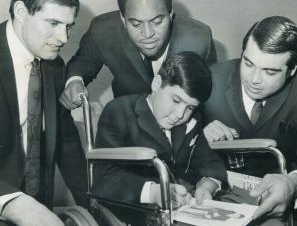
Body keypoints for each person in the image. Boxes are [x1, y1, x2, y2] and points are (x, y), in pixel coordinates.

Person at [202, 16, 297, 226]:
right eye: (248, 63)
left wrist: (294, 182)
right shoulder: (211, 78)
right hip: (222, 196)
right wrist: (198, 133)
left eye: (270, 71)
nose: (254, 79)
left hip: (289, 199)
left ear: (293, 69)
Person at [0, 0, 87, 226]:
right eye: (53, 23)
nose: (64, 38)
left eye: (68, 26)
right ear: (21, 12)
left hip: (39, 207)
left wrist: (94, 201)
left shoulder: (53, 66)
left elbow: (66, 140)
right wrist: (12, 201)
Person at [59, 0, 217, 110]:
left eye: (157, 22)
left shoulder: (198, 38)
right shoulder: (103, 30)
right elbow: (82, 62)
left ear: (170, 14)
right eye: (136, 24)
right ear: (123, 19)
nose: (147, 34)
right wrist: (74, 81)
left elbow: (210, 95)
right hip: (130, 122)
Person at [92, 52, 227, 210]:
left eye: (190, 107)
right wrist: (154, 192)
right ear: (156, 84)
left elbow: (209, 161)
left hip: (182, 209)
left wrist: (207, 185)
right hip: (132, 209)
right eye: (176, 100)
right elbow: (104, 178)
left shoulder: (193, 119)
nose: (180, 115)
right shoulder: (118, 112)